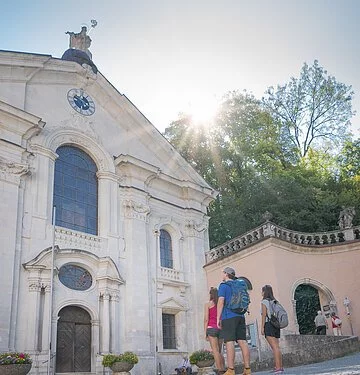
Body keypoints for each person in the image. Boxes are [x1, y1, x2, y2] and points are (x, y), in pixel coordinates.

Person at [217, 267, 251, 375]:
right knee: (243, 341)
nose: (222, 275)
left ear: (226, 274)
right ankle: (247, 369)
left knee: (229, 342)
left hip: (228, 316)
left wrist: (218, 317)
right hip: (241, 315)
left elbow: (221, 302)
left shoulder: (223, 286)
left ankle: (231, 369)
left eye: (223, 273)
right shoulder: (239, 285)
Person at [261, 285, 284, 374]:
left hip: (269, 325)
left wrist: (262, 327)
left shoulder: (264, 302)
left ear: (264, 292)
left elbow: (263, 315)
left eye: (262, 291)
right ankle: (280, 367)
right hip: (276, 325)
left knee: (274, 348)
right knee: (277, 347)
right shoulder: (275, 301)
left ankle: (278, 368)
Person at [204, 287, 225, 374]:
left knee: (215, 350)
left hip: (211, 328)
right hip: (220, 328)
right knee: (220, 351)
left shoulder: (208, 304)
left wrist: (205, 332)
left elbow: (206, 319)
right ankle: (224, 368)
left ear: (210, 295)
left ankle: (220, 370)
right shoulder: (221, 304)